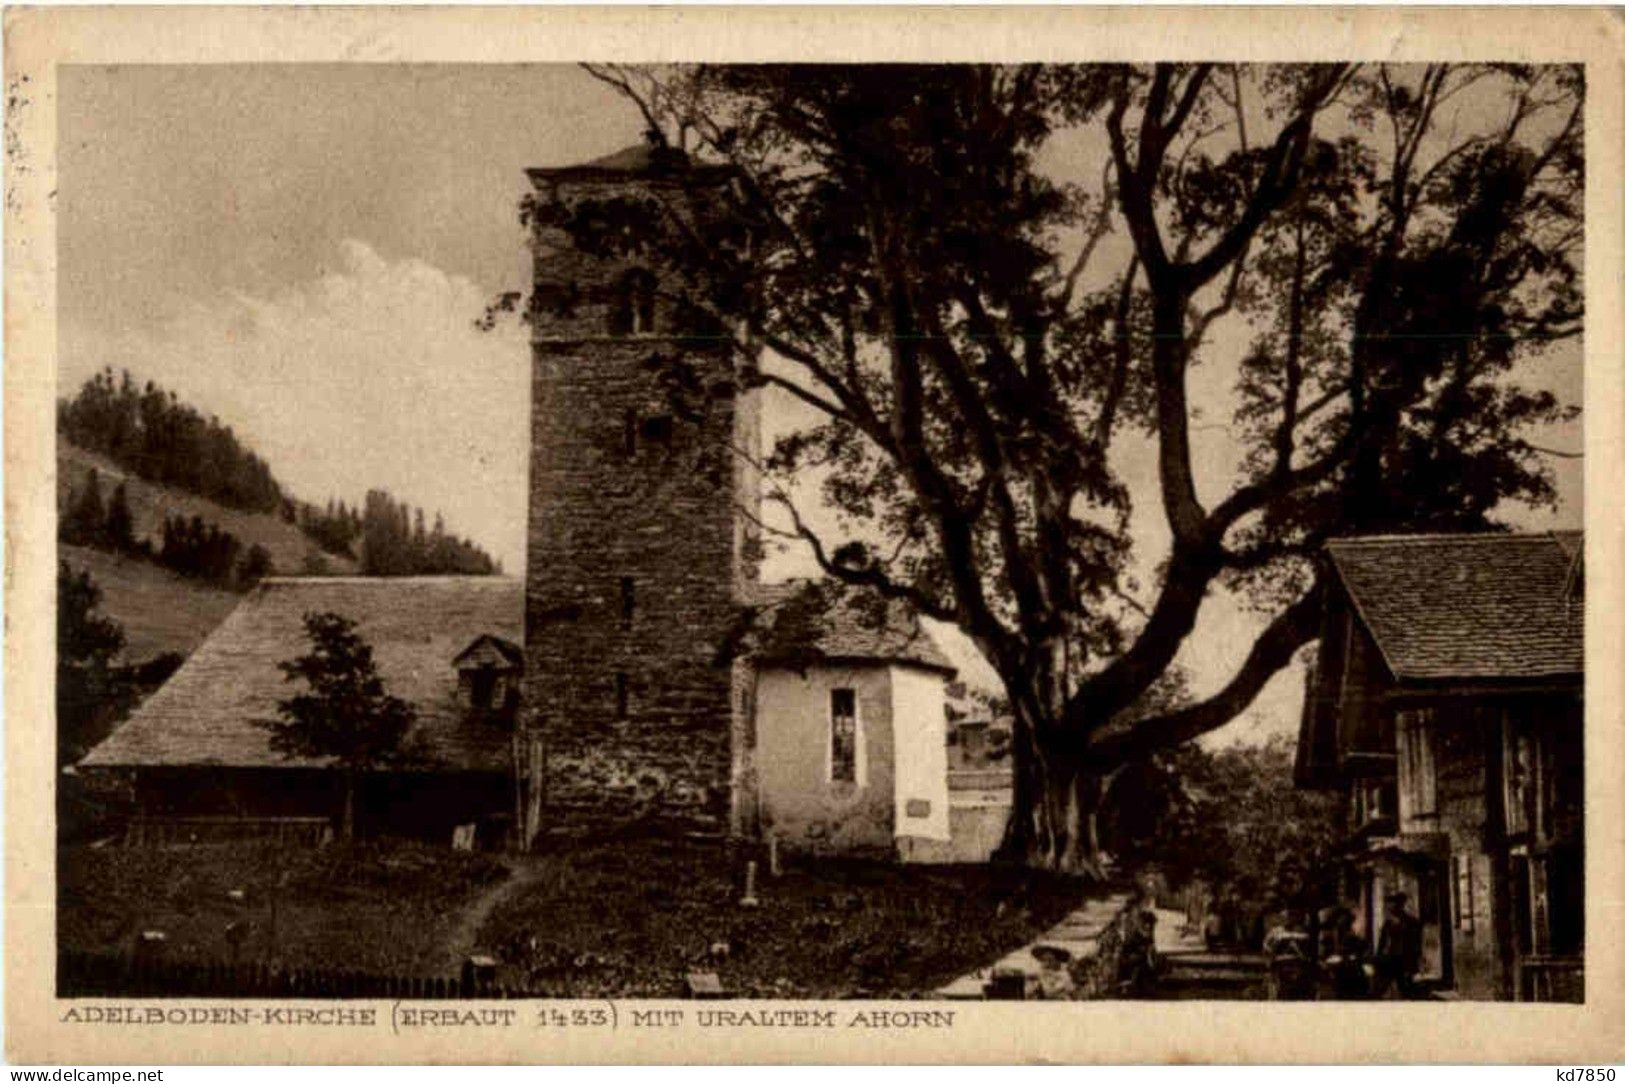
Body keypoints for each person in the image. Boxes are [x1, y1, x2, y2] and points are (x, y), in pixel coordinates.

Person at [1375, 890, 1424, 998]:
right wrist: (1378, 958)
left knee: (1405, 989)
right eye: (1391, 903)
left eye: (1396, 903)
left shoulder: (1412, 922)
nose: (1392, 906)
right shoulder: (1388, 923)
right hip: (1389, 959)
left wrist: (1416, 961)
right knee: (1382, 988)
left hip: (1404, 960)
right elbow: (1382, 942)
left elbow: (1416, 943)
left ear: (1401, 904)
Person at [1320, 906, 1371, 999]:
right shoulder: (1332, 935)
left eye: (1346, 922)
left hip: (1350, 970)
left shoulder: (1351, 936)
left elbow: (1363, 947)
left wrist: (1353, 956)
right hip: (1339, 970)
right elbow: (1326, 951)